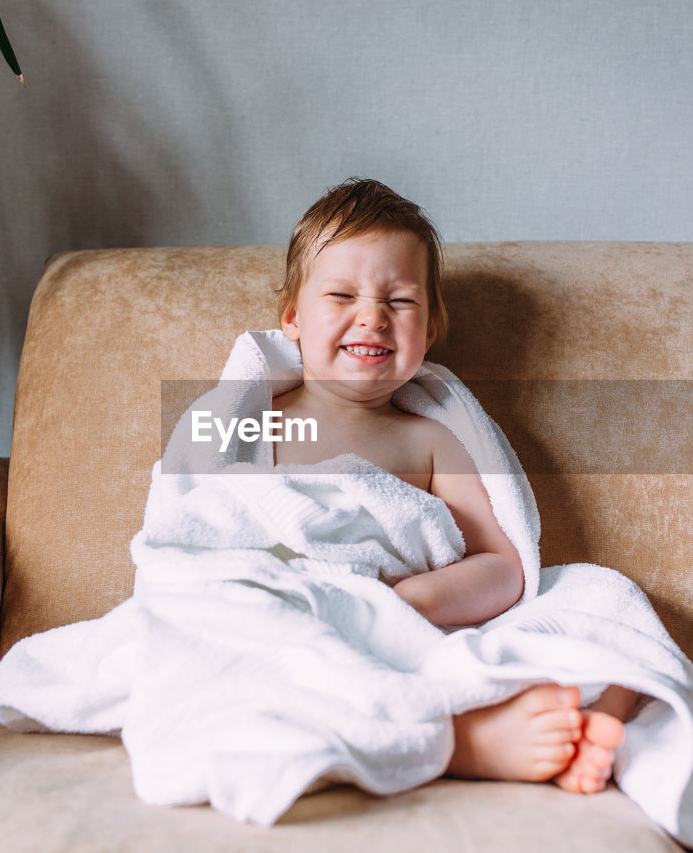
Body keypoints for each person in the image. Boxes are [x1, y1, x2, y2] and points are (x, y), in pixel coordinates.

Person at [270, 177, 638, 795]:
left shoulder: (429, 441)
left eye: (401, 302)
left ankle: (595, 718)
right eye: (341, 294)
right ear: (291, 317)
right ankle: (465, 745)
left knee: (609, 602)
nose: (373, 316)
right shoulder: (249, 417)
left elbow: (502, 563)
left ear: (432, 328)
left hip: (408, 626)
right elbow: (194, 530)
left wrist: (408, 602)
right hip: (295, 622)